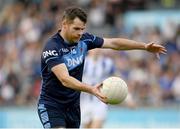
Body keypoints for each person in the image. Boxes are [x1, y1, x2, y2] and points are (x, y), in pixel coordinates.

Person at [37, 7, 167, 128]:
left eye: (82, 29)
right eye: (76, 29)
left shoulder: (85, 40)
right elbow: (64, 79)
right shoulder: (52, 48)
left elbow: (114, 43)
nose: (80, 33)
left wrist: (144, 46)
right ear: (64, 24)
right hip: (52, 104)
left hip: (73, 107)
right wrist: (91, 89)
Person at [80, 49, 115, 128]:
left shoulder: (107, 63)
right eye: (94, 48)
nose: (96, 50)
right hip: (84, 102)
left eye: (98, 47)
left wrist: (127, 97)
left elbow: (116, 78)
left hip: (100, 101)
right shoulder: (82, 62)